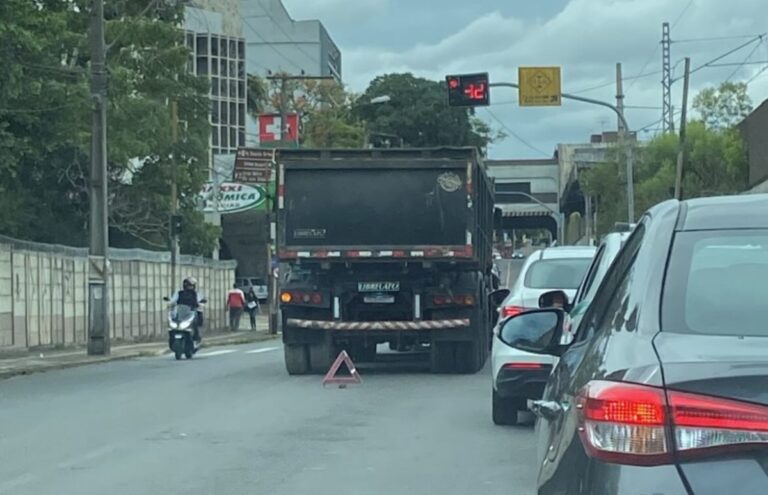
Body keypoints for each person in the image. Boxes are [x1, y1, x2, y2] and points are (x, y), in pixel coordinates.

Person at [170, 277, 203, 342]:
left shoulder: (196, 294)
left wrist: (200, 304)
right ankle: (172, 338)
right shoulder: (179, 293)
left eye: (191, 286)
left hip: (192, 312)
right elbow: (173, 301)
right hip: (181, 312)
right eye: (188, 285)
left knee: (195, 321)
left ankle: (196, 336)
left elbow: (200, 301)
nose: (190, 287)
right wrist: (170, 303)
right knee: (173, 321)